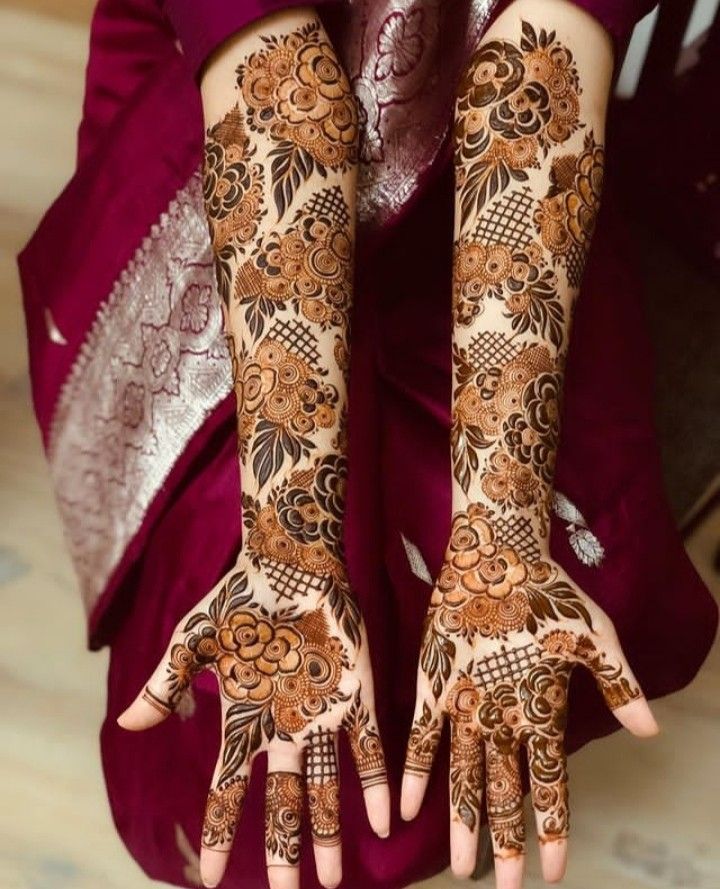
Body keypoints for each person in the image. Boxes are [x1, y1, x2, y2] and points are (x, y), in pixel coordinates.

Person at [18, 1, 717, 889]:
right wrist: (292, 554)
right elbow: (276, 84)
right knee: (248, 631)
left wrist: (496, 538)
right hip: (225, 133)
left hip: (500, 173)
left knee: (531, 588)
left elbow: (538, 66)